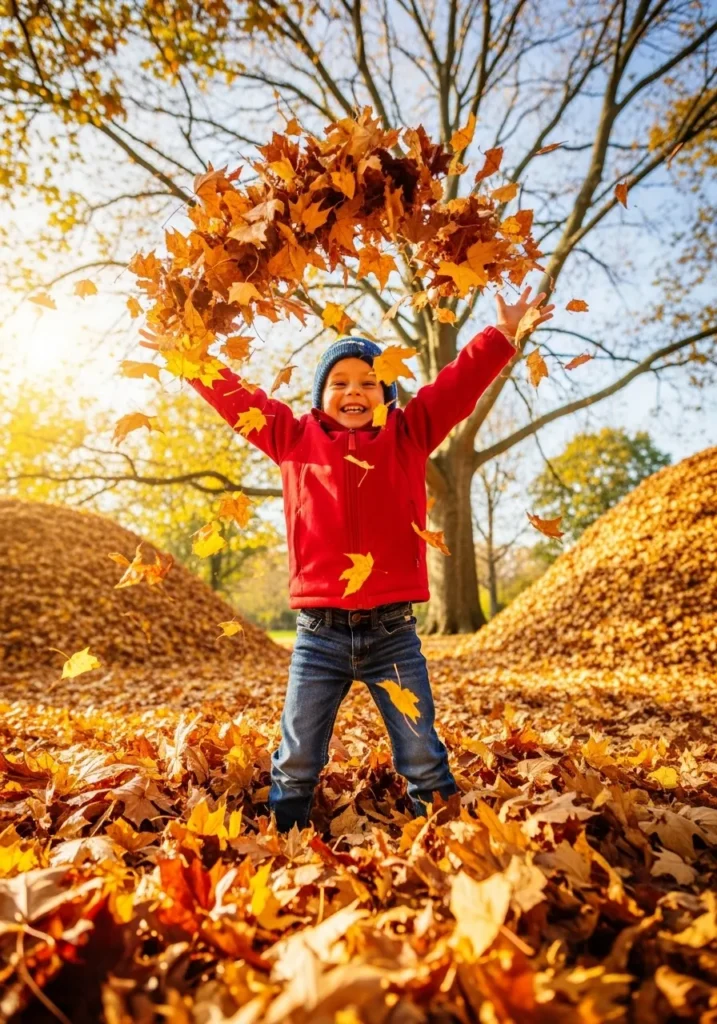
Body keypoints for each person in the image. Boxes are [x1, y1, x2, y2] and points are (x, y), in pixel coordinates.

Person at [187, 286, 554, 832]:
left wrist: (501, 336)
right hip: (318, 636)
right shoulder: (292, 439)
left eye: (368, 383)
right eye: (340, 383)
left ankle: (441, 828)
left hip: (393, 633)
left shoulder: (409, 434)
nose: (354, 391)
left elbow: (457, 387)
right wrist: (193, 360)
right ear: (320, 396)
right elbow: (239, 399)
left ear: (388, 395)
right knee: (298, 753)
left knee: (420, 750)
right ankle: (285, 832)